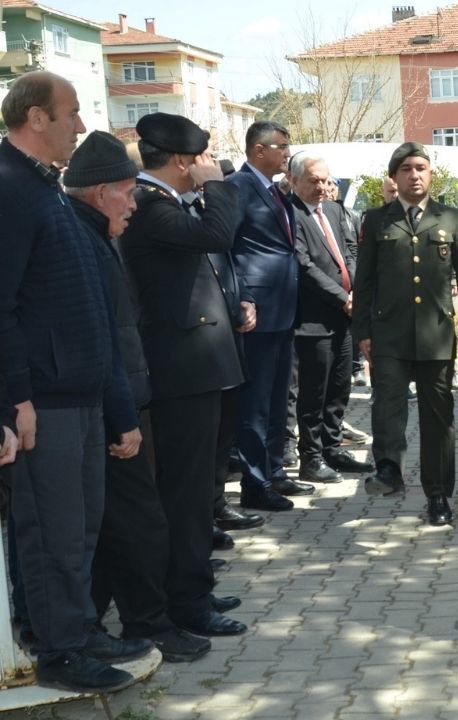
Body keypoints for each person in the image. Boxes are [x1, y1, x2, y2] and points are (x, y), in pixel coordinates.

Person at [0, 71, 149, 692]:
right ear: (36, 118)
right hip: (44, 399)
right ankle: (58, 651)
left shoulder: (45, 188)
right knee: (53, 532)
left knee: (81, 528)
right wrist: (16, 398)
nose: (81, 126)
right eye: (71, 114)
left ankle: (78, 629)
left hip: (80, 394)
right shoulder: (9, 187)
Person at [64, 131, 216, 663]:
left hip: (113, 402)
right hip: (108, 408)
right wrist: (122, 414)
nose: (134, 204)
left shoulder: (92, 235)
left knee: (114, 527)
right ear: (101, 192)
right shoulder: (81, 241)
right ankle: (147, 625)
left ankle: (96, 625)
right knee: (140, 525)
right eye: (128, 193)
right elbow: (99, 340)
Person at [120, 111, 250, 639]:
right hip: (180, 371)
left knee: (195, 489)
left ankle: (193, 584)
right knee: (186, 492)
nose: (209, 165)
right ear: (181, 161)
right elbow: (218, 235)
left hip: (197, 366)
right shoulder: (151, 206)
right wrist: (218, 186)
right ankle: (187, 602)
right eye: (202, 158)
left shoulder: (165, 203)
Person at [352, 143, 458, 526]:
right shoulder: (377, 220)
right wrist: (362, 331)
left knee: (438, 417)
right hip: (389, 333)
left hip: (436, 333)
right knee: (387, 404)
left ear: (431, 174)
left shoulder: (450, 218)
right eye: (406, 169)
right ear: (394, 176)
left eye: (421, 167)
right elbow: (365, 280)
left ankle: (438, 494)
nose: (414, 175)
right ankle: (389, 468)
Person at [226, 121, 306, 511]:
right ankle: (254, 484)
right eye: (282, 146)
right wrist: (242, 297)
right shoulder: (239, 187)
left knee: (277, 398)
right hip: (257, 312)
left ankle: (274, 471)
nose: (288, 153)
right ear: (259, 150)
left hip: (283, 308)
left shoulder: (276, 191)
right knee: (255, 403)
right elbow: (226, 247)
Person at [287, 152, 372, 483]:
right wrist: (341, 297)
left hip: (345, 317)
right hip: (313, 319)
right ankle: (311, 457)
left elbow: (349, 250)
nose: (322, 187)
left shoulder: (335, 210)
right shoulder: (290, 214)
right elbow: (303, 265)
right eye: (314, 181)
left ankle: (333, 449)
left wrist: (356, 292)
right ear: (294, 180)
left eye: (326, 180)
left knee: (339, 387)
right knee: (314, 392)